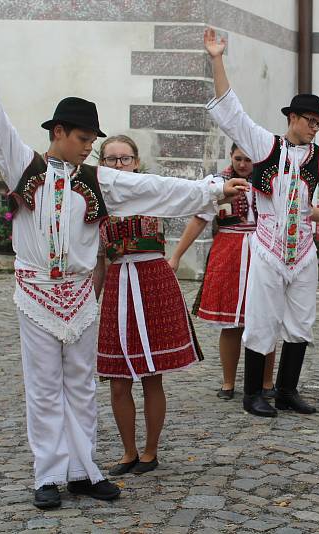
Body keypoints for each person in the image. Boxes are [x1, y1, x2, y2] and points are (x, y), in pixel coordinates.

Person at [0, 15, 247, 509]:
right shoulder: (22, 164)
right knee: (44, 388)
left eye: (94, 139)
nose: (92, 147)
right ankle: (47, 474)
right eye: (85, 138)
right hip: (35, 294)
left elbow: (155, 189)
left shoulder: (99, 181)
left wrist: (214, 188)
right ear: (60, 132)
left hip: (79, 294)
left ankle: (83, 470)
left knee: (81, 385)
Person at [203, 28, 319, 418]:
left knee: (301, 322)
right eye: (309, 119)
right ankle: (253, 392)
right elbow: (232, 114)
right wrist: (217, 59)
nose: (314, 126)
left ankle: (287, 390)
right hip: (269, 248)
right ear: (292, 117)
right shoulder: (264, 145)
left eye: (318, 122)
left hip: (303, 251)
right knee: (261, 319)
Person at [169, 143, 319, 402]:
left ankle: (266, 381)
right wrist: (176, 255)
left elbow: (304, 209)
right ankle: (228, 382)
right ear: (230, 157)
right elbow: (200, 218)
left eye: (248, 159)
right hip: (229, 253)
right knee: (231, 323)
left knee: (266, 319)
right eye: (238, 159)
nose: (243, 164)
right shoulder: (219, 183)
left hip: (266, 251)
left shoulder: (271, 179)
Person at [94, 135, 204, 476]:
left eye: (125, 159)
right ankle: (128, 451)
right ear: (102, 165)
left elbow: (198, 207)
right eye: (111, 160)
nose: (119, 166)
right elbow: (99, 258)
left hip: (153, 280)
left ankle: (150, 451)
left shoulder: (154, 192)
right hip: (117, 283)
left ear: (136, 162)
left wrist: (176, 256)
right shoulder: (98, 201)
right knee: (117, 378)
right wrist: (88, 303)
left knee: (151, 375)